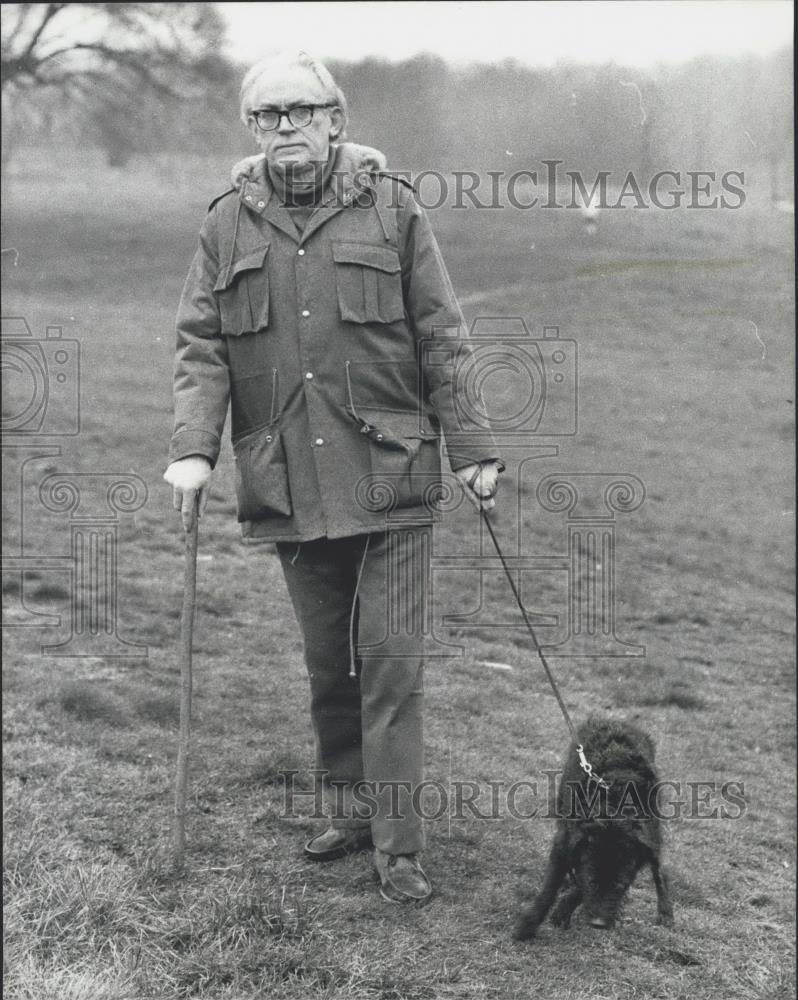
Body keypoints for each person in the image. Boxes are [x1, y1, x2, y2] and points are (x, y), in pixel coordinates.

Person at [164, 50, 502, 904]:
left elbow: (443, 337)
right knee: (329, 668)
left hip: (392, 477)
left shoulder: (393, 210)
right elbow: (200, 346)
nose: (285, 128)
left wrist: (474, 450)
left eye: (301, 111)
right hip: (290, 482)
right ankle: (348, 811)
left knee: (389, 664)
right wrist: (193, 448)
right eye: (268, 116)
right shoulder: (225, 226)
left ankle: (399, 846)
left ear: (336, 120)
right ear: (253, 131)